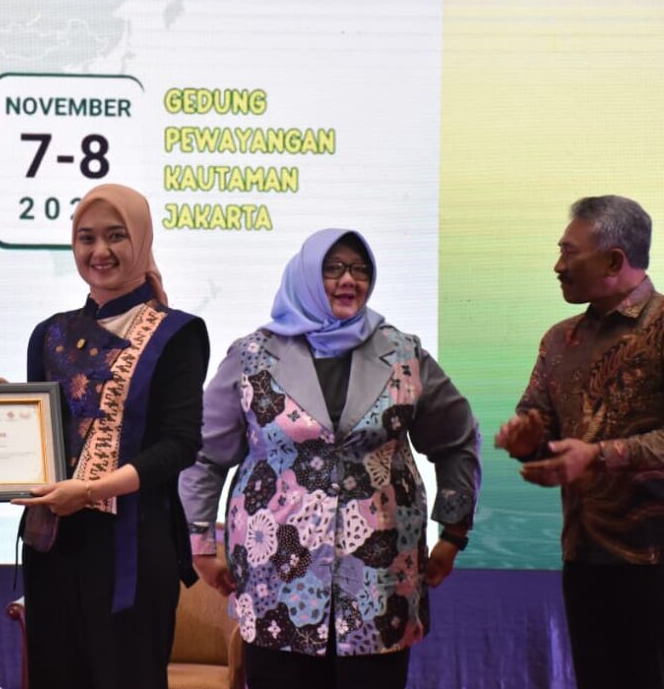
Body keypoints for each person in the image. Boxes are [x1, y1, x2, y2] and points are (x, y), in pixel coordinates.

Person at [179, 229, 480, 689]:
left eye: (360, 269)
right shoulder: (251, 356)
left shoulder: (404, 353)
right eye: (333, 268)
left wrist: (454, 532)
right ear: (304, 275)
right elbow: (204, 456)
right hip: (276, 577)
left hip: (380, 577)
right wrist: (199, 543)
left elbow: (458, 440)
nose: (349, 280)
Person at [8, 183, 210, 689]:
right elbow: (45, 434)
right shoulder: (49, 334)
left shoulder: (177, 333)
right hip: (55, 546)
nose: (100, 251)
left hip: (132, 548)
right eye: (86, 238)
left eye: (116, 236)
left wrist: (93, 490)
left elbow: (179, 445)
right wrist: (1, 409)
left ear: (140, 240)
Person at [495, 195, 664, 689]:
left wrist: (599, 456)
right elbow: (540, 426)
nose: (558, 266)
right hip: (585, 558)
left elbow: (593, 451)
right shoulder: (558, 340)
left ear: (613, 260)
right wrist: (526, 442)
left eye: (569, 253)